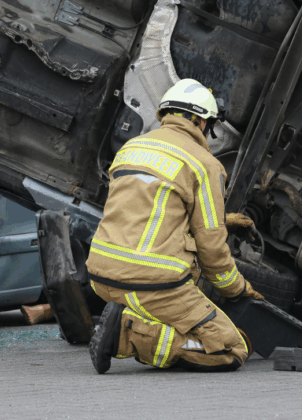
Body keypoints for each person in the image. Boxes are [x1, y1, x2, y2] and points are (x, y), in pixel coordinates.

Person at [86, 79, 264, 374]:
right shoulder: (203, 164)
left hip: (101, 277)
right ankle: (125, 335)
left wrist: (225, 222)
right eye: (209, 125)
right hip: (152, 285)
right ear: (200, 122)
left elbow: (145, 211)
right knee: (231, 349)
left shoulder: (131, 148)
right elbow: (212, 253)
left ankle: (124, 319)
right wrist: (238, 289)